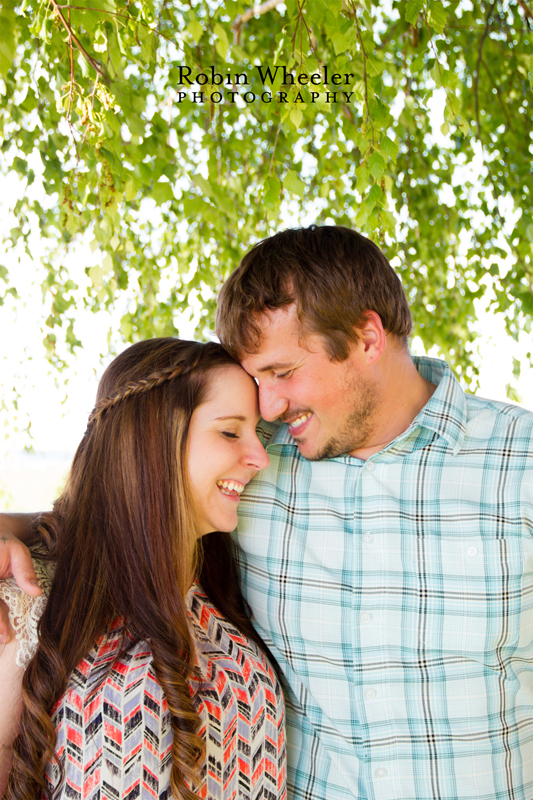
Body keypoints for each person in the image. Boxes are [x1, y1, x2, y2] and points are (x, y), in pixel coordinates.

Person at [2, 224, 533, 800]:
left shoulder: (519, 462)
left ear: (368, 336)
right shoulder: (262, 457)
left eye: (282, 373)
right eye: (257, 383)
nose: (271, 406)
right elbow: (134, 496)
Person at [0, 337, 286, 799]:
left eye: (257, 433)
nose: (260, 457)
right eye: (231, 432)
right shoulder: (33, 604)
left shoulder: (223, 603)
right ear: (153, 439)